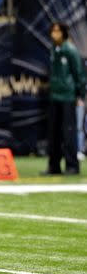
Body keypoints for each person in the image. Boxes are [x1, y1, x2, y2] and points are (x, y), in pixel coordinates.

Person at [42, 23, 86, 175]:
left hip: (68, 96)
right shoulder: (54, 49)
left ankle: (72, 166)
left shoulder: (71, 50)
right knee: (53, 132)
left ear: (64, 33)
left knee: (69, 132)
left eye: (57, 31)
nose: (54, 34)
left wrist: (80, 95)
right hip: (55, 95)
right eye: (52, 31)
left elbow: (79, 74)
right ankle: (54, 166)